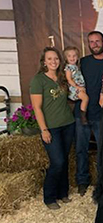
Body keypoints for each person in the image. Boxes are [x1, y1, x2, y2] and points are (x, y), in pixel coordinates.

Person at [30, 47, 75, 210]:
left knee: (64, 160)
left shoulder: (62, 78)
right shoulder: (38, 80)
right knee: (57, 162)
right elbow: (37, 107)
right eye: (50, 59)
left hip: (68, 124)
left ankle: (62, 193)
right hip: (52, 128)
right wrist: (44, 130)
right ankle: (49, 197)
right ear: (44, 62)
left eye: (56, 58)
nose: (53, 61)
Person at [77, 31, 103, 196]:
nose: (94, 44)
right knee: (81, 149)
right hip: (83, 113)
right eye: (91, 42)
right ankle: (82, 181)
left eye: (97, 41)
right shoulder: (83, 62)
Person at [63, 46, 88, 125]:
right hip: (74, 89)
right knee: (85, 98)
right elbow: (69, 80)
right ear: (66, 58)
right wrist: (78, 87)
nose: (72, 58)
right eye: (69, 56)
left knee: (85, 97)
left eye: (74, 56)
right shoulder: (68, 68)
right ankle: (83, 115)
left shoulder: (76, 66)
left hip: (79, 86)